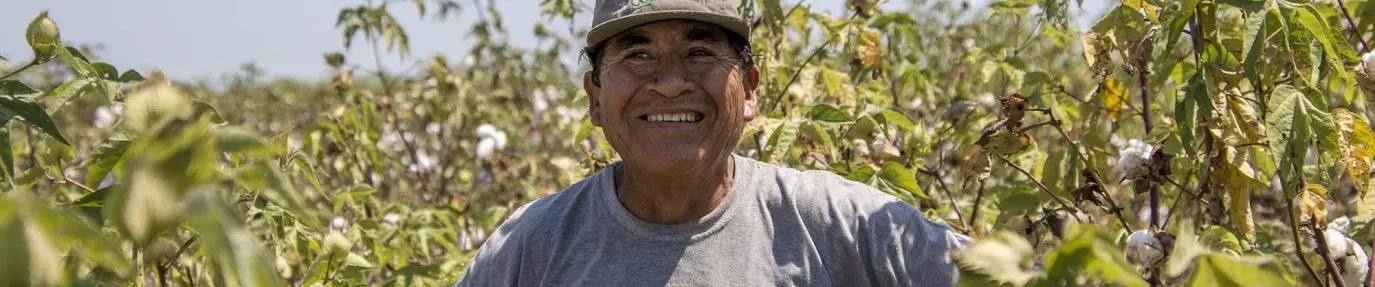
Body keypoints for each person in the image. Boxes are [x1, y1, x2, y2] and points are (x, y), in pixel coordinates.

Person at [456, 0, 967, 285]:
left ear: (747, 90)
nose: (671, 81)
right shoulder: (532, 246)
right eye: (637, 56)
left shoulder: (841, 226)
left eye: (700, 51)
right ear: (594, 98)